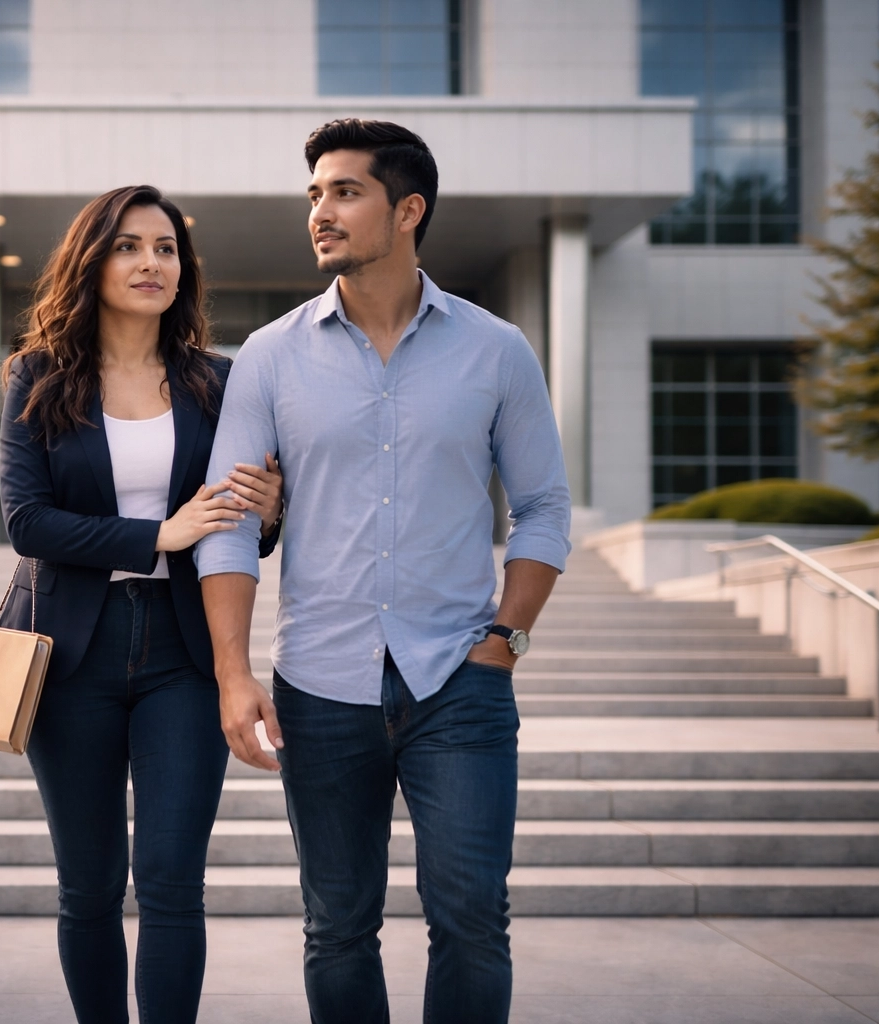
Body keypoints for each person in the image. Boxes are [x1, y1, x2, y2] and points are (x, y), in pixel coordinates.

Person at [196, 119, 571, 1023]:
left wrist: (505, 642)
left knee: (475, 922)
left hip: (461, 683)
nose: (321, 212)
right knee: (336, 927)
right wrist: (233, 671)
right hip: (321, 687)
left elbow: (546, 509)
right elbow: (227, 524)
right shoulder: (271, 357)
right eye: (314, 195)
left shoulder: (496, 350)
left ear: (409, 210)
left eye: (344, 192)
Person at [0, 184, 285, 1024]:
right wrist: (156, 535)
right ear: (92, 261)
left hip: (184, 654)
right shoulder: (36, 376)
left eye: (165, 248)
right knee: (88, 887)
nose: (150, 262)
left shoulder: (217, 383)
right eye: (128, 245)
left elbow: (240, 528)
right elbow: (27, 520)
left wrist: (268, 514)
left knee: (170, 883)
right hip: (70, 654)